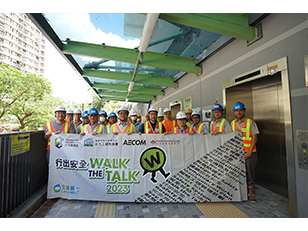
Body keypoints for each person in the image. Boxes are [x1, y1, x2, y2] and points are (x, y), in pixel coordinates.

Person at [231, 101, 259, 203]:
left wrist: (249, 152)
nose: (238, 113)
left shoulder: (251, 122)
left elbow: (255, 137)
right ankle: (240, 191)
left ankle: (250, 192)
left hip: (250, 153)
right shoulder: (232, 123)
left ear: (244, 111)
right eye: (236, 111)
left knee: (250, 172)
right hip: (237, 153)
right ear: (234, 112)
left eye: (240, 110)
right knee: (238, 172)